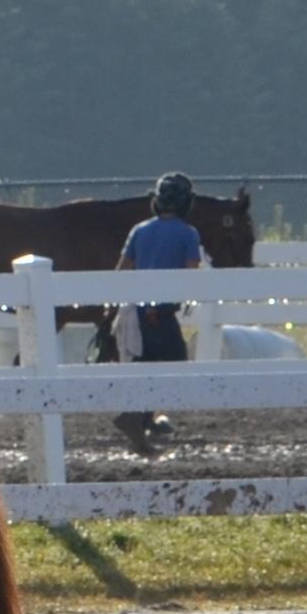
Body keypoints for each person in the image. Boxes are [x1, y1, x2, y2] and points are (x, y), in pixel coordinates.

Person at [112, 171, 207, 449]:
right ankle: (136, 418)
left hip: (137, 313)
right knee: (176, 362)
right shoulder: (188, 234)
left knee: (145, 367)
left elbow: (121, 269)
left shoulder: (139, 230)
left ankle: (140, 428)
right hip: (162, 314)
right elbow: (191, 273)